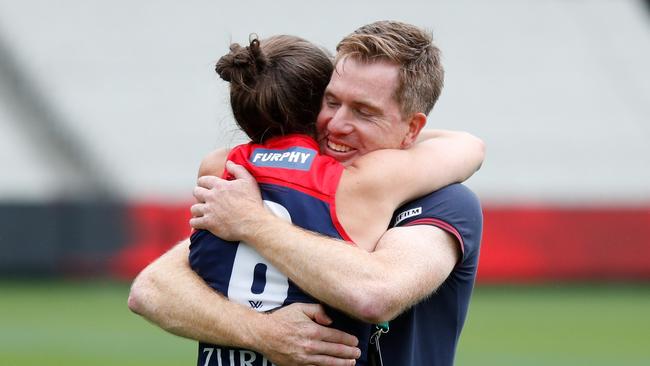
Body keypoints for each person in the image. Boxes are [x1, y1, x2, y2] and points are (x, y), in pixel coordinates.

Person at [129, 20, 483, 366]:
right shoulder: (248, 191)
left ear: (413, 129)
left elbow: (375, 293)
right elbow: (152, 290)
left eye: (364, 112)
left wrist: (253, 221)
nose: (335, 124)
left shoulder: (445, 202)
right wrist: (264, 333)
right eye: (330, 102)